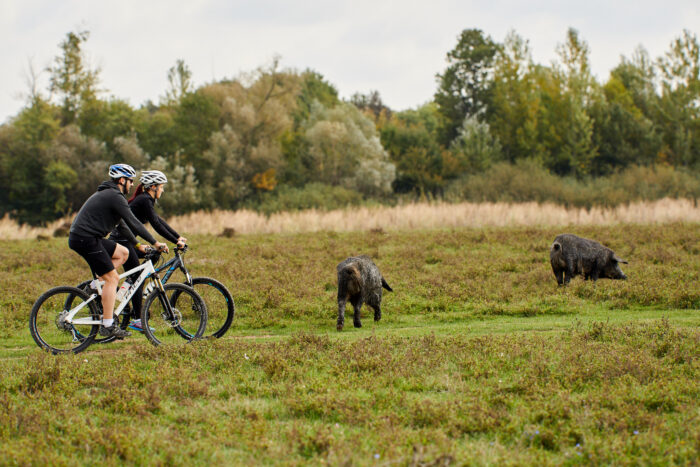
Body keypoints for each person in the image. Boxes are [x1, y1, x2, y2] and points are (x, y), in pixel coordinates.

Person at [68, 164, 168, 339]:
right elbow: (134, 222)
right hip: (86, 239)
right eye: (130, 181)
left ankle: (94, 286)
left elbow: (122, 225)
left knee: (123, 253)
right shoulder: (114, 196)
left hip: (89, 237)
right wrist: (155, 242)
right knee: (113, 278)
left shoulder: (111, 195)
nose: (131, 185)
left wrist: (137, 245)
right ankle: (108, 325)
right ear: (122, 180)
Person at [109, 169, 187, 332]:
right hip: (122, 242)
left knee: (153, 255)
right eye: (161, 187)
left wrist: (178, 237)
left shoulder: (145, 200)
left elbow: (159, 220)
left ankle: (131, 284)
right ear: (153, 186)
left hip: (126, 241)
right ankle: (138, 319)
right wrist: (174, 240)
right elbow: (156, 225)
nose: (162, 190)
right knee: (139, 278)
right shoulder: (144, 200)